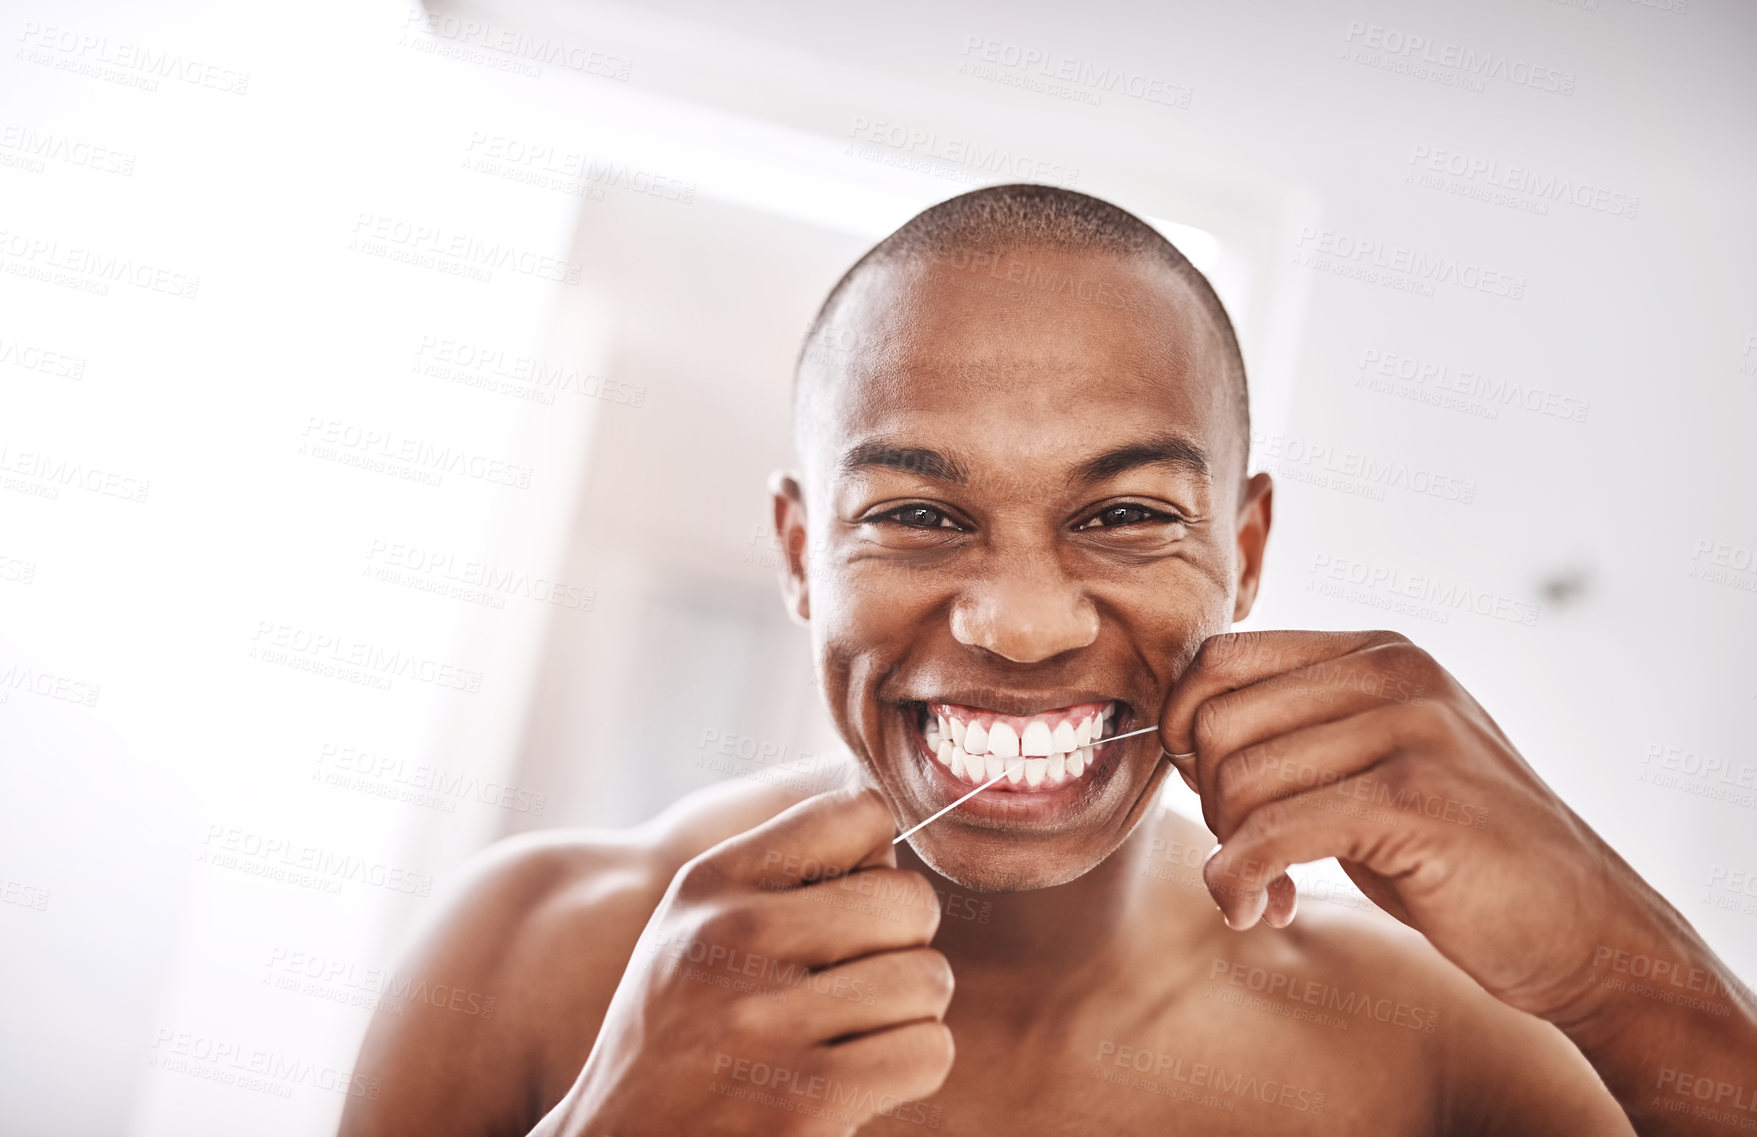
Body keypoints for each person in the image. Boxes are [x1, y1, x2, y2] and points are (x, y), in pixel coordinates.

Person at [339, 184, 1756, 1135]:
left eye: (1124, 514)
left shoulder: (1440, 1048)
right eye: (916, 513)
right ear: (796, 552)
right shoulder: (531, 950)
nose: (1021, 624)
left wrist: (1622, 970)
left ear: (1243, 547)